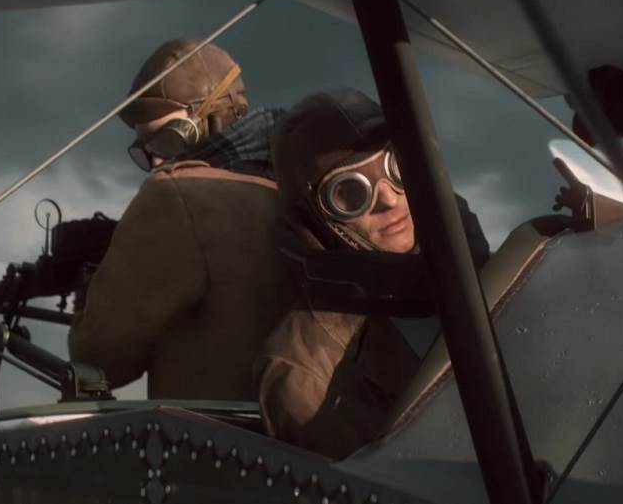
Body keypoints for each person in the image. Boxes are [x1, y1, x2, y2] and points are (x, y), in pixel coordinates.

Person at [254, 88, 489, 459]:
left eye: (397, 168)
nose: (388, 199)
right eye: (350, 192)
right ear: (314, 222)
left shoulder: (500, 273)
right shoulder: (305, 369)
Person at [69, 39, 295, 401]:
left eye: (166, 141)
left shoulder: (176, 196)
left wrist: (90, 285)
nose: (157, 162)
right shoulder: (298, 185)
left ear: (209, 118)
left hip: (205, 434)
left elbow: (99, 356)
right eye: (145, 150)